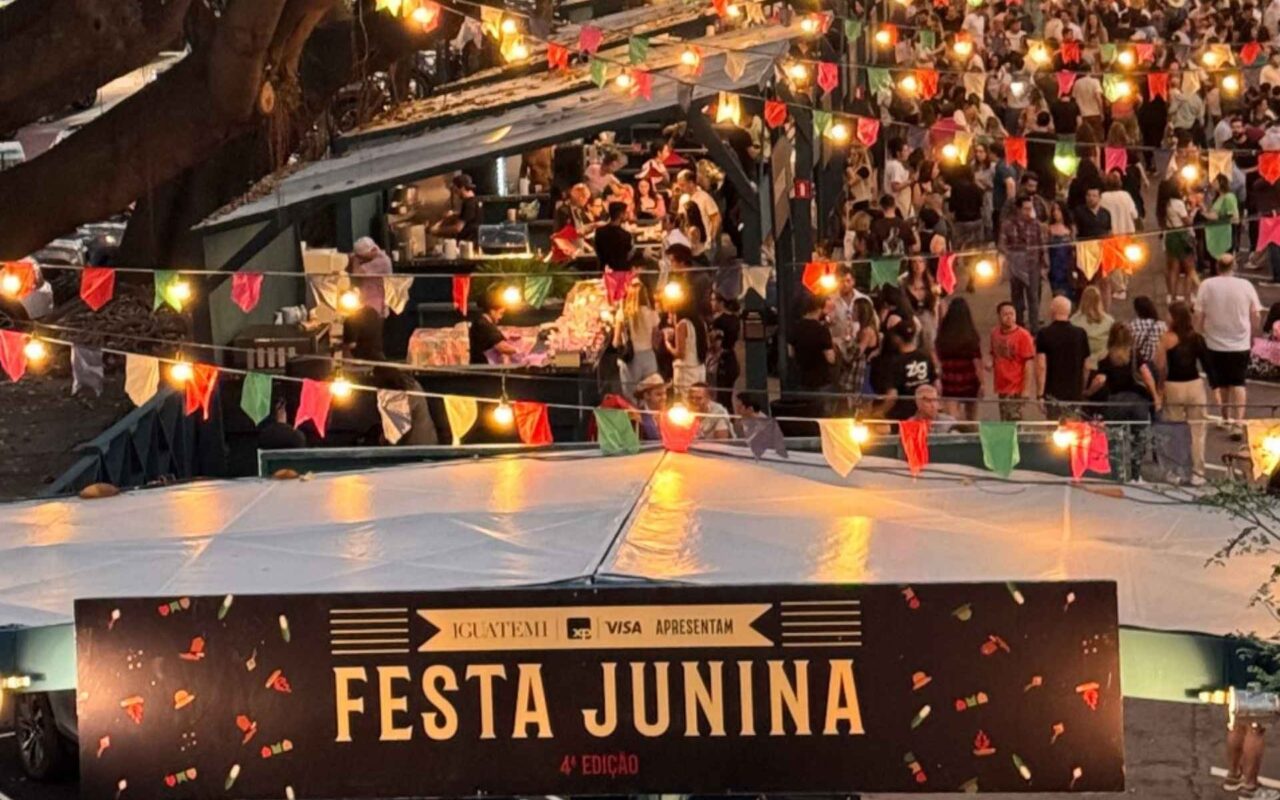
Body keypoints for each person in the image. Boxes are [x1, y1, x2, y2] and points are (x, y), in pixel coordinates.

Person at [1196, 254, 1262, 438]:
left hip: (1214, 342)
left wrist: (1198, 333)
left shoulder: (1207, 285)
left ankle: (1225, 417)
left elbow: (1199, 314)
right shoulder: (1246, 285)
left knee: (1222, 384)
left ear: (1217, 267)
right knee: (1239, 382)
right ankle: (1238, 422)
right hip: (1240, 343)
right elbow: (1256, 314)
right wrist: (1253, 333)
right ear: (1234, 266)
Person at [1157, 301, 1211, 485]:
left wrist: (1159, 388)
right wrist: (1216, 387)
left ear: (1174, 318)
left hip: (1173, 385)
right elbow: (1207, 363)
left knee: (1175, 431)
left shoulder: (1166, 338)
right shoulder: (1196, 337)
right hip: (1194, 385)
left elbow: (1160, 366)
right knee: (1198, 431)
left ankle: (1175, 471)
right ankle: (1198, 472)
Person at [1000, 194, 1047, 334]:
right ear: (1018, 209)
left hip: (1033, 266)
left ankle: (1035, 330)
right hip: (1015, 267)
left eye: (1030, 209)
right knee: (1017, 299)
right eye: (1025, 209)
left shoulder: (1036, 225)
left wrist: (1044, 266)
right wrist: (1012, 256)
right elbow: (1002, 245)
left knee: (1034, 298)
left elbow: (1042, 246)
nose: (1028, 212)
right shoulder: (1007, 225)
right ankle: (1018, 327)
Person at [1037, 295, 1091, 413]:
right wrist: (1082, 388)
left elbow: (1041, 366)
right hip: (1074, 391)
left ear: (1052, 310)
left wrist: (1040, 395)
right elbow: (1087, 366)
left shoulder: (1044, 334)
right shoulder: (1080, 334)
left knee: (1054, 423)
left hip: (1052, 393)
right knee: (1073, 423)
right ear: (1069, 311)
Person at [878, 318, 938, 422]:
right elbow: (936, 384)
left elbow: (892, 396)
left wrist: (879, 412)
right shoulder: (925, 356)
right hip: (924, 412)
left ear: (897, 338)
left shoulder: (894, 362)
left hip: (902, 415)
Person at [936, 297, 984, 422]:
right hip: (969, 380)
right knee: (972, 418)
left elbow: (938, 357)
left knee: (952, 418)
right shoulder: (971, 335)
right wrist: (982, 383)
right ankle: (972, 433)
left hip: (949, 380)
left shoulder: (943, 334)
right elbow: (977, 361)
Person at [789, 292, 836, 413]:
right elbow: (831, 358)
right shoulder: (822, 330)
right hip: (821, 381)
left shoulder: (796, 327)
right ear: (819, 309)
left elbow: (791, 353)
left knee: (805, 414)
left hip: (803, 379)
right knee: (822, 415)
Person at [613, 278, 660, 397]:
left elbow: (616, 342)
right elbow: (656, 342)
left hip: (631, 358)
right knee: (651, 393)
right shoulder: (652, 313)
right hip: (649, 356)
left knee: (631, 395)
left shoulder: (622, 314)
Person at [990, 300, 1036, 421]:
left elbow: (1028, 363)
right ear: (999, 316)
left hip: (1015, 387)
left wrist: (1026, 390)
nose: (1009, 317)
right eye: (1005, 314)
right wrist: (990, 363)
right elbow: (994, 353)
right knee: (1004, 420)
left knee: (1014, 421)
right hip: (1001, 386)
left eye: (1012, 314)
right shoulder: (995, 333)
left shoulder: (1023, 336)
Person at [663, 279, 709, 396]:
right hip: (700, 370)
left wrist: (667, 343)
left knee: (685, 402)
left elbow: (680, 354)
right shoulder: (700, 322)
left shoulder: (682, 325)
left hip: (686, 373)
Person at [1157, 178, 1197, 305]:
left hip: (1170, 236)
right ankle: (1187, 297)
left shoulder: (1163, 205)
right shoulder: (1178, 203)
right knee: (1189, 269)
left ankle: (1172, 297)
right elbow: (1188, 222)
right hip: (1182, 236)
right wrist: (1193, 211)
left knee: (1173, 268)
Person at [469, 286, 520, 364]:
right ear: (492, 311)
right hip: (483, 368)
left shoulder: (482, 323)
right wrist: (519, 351)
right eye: (501, 313)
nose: (501, 317)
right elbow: (502, 347)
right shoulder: (484, 325)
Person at [708, 292, 741, 407]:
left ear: (721, 302)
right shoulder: (735, 319)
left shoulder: (719, 321)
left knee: (720, 398)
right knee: (727, 397)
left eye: (713, 300)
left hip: (721, 362)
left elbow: (716, 345)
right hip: (732, 360)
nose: (711, 303)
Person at [1071, 286, 1115, 368]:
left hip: (1079, 365)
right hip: (1102, 365)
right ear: (1099, 300)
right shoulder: (1109, 321)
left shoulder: (1073, 321)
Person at [349, 237, 392, 319]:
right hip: (365, 297)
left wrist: (356, 259)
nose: (362, 258)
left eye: (362, 256)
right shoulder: (371, 258)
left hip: (376, 301)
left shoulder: (382, 261)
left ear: (373, 250)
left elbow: (357, 273)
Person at [1047, 201, 1077, 302]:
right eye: (1054, 210)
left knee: (1070, 291)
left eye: (1058, 209)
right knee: (1057, 292)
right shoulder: (1049, 229)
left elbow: (1074, 246)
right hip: (1054, 266)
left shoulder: (1071, 228)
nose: (1056, 212)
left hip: (1068, 264)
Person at [1127, 296, 1167, 366]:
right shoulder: (1162, 325)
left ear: (1137, 310)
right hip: (1156, 364)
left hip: (1139, 364)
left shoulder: (1132, 326)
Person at [594, 201, 633, 271]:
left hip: (604, 270)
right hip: (621, 272)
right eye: (626, 212)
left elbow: (598, 252)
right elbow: (628, 256)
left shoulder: (599, 232)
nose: (627, 215)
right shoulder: (626, 235)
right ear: (621, 214)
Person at [634, 373, 668, 441]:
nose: (664, 398)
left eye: (665, 393)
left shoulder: (670, 414)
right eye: (659, 394)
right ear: (646, 396)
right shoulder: (637, 416)